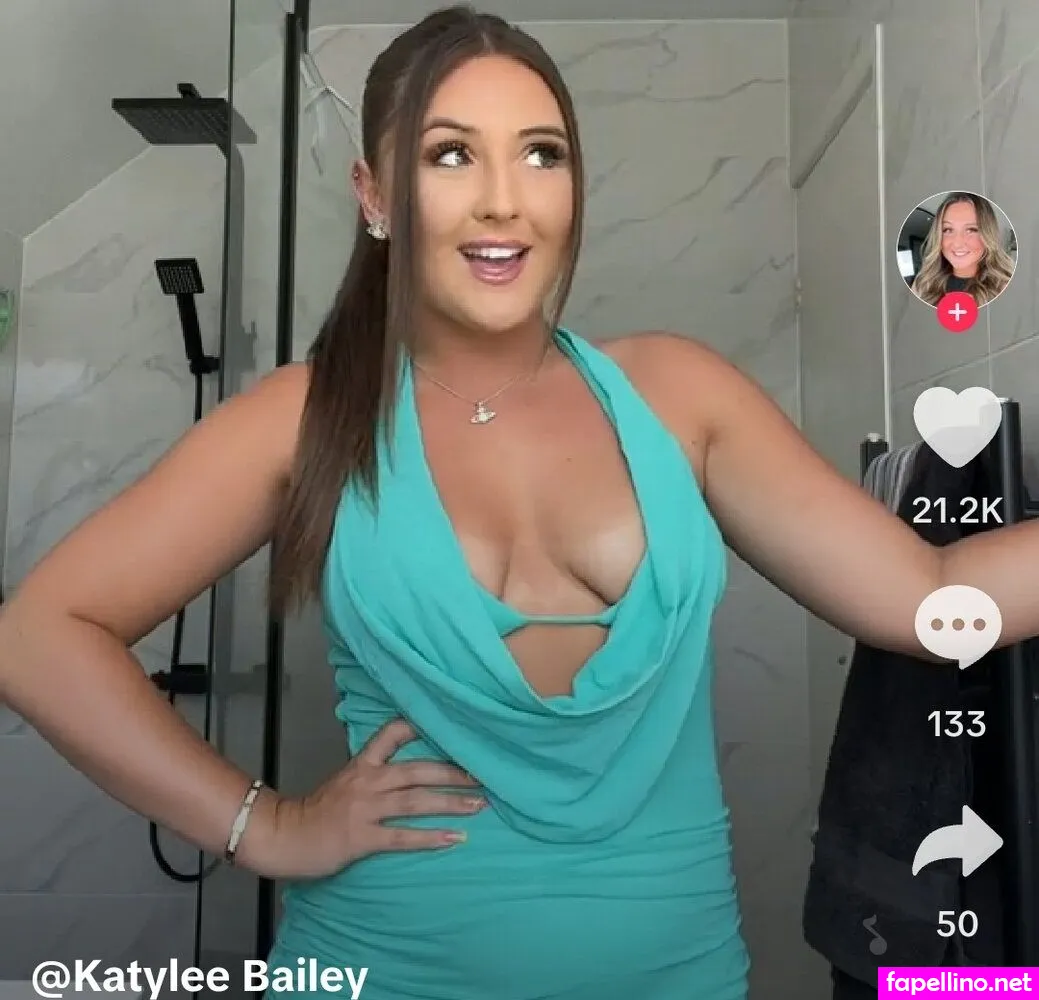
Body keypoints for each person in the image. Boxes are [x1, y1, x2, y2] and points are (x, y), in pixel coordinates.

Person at [0, 6, 1037, 998]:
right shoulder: (306, 418)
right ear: (374, 195)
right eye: (451, 154)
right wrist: (265, 826)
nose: (504, 200)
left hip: (672, 978)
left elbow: (927, 596)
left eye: (541, 154)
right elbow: (39, 637)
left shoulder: (679, 395)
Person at [909, 191, 1015, 306]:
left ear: (987, 234)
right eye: (948, 230)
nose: (957, 243)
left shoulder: (1007, 287)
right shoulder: (923, 285)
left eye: (971, 230)